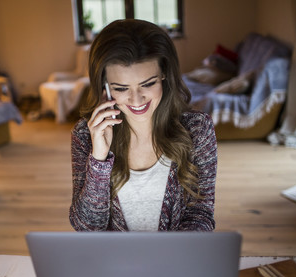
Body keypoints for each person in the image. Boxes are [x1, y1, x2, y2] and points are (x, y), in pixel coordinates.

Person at [69, 19, 217, 232]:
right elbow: (88, 228)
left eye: (148, 84)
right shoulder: (86, 135)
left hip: (177, 261)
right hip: (114, 264)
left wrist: (172, 259)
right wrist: (99, 159)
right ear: (105, 86)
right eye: (121, 88)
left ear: (164, 74)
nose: (136, 100)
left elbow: (200, 215)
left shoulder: (198, 129)